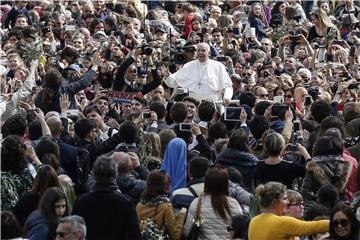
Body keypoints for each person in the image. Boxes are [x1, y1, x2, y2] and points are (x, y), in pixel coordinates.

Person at [72, 156, 141, 240]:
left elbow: (73, 232)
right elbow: (135, 235)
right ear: (115, 175)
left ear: (93, 174)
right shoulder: (126, 202)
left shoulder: (81, 201)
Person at [248, 182, 329, 240]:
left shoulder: (253, 221)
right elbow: (312, 227)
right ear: (275, 202)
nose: (288, 202)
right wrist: (337, 222)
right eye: (284, 198)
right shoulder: (281, 222)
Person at [161, 42, 233, 104]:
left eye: (203, 50)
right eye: (198, 51)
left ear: (209, 53)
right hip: (194, 105)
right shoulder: (189, 66)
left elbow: (228, 86)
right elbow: (175, 82)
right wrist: (168, 76)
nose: (200, 53)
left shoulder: (218, 66)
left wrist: (227, 96)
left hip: (213, 104)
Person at [183, 165, 243, 239]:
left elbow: (187, 230)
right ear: (226, 183)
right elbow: (239, 228)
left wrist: (201, 221)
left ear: (206, 182)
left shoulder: (197, 203)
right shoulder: (234, 204)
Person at [136, 170, 186, 240]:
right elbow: (175, 236)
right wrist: (181, 216)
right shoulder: (165, 206)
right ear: (165, 187)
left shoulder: (139, 205)